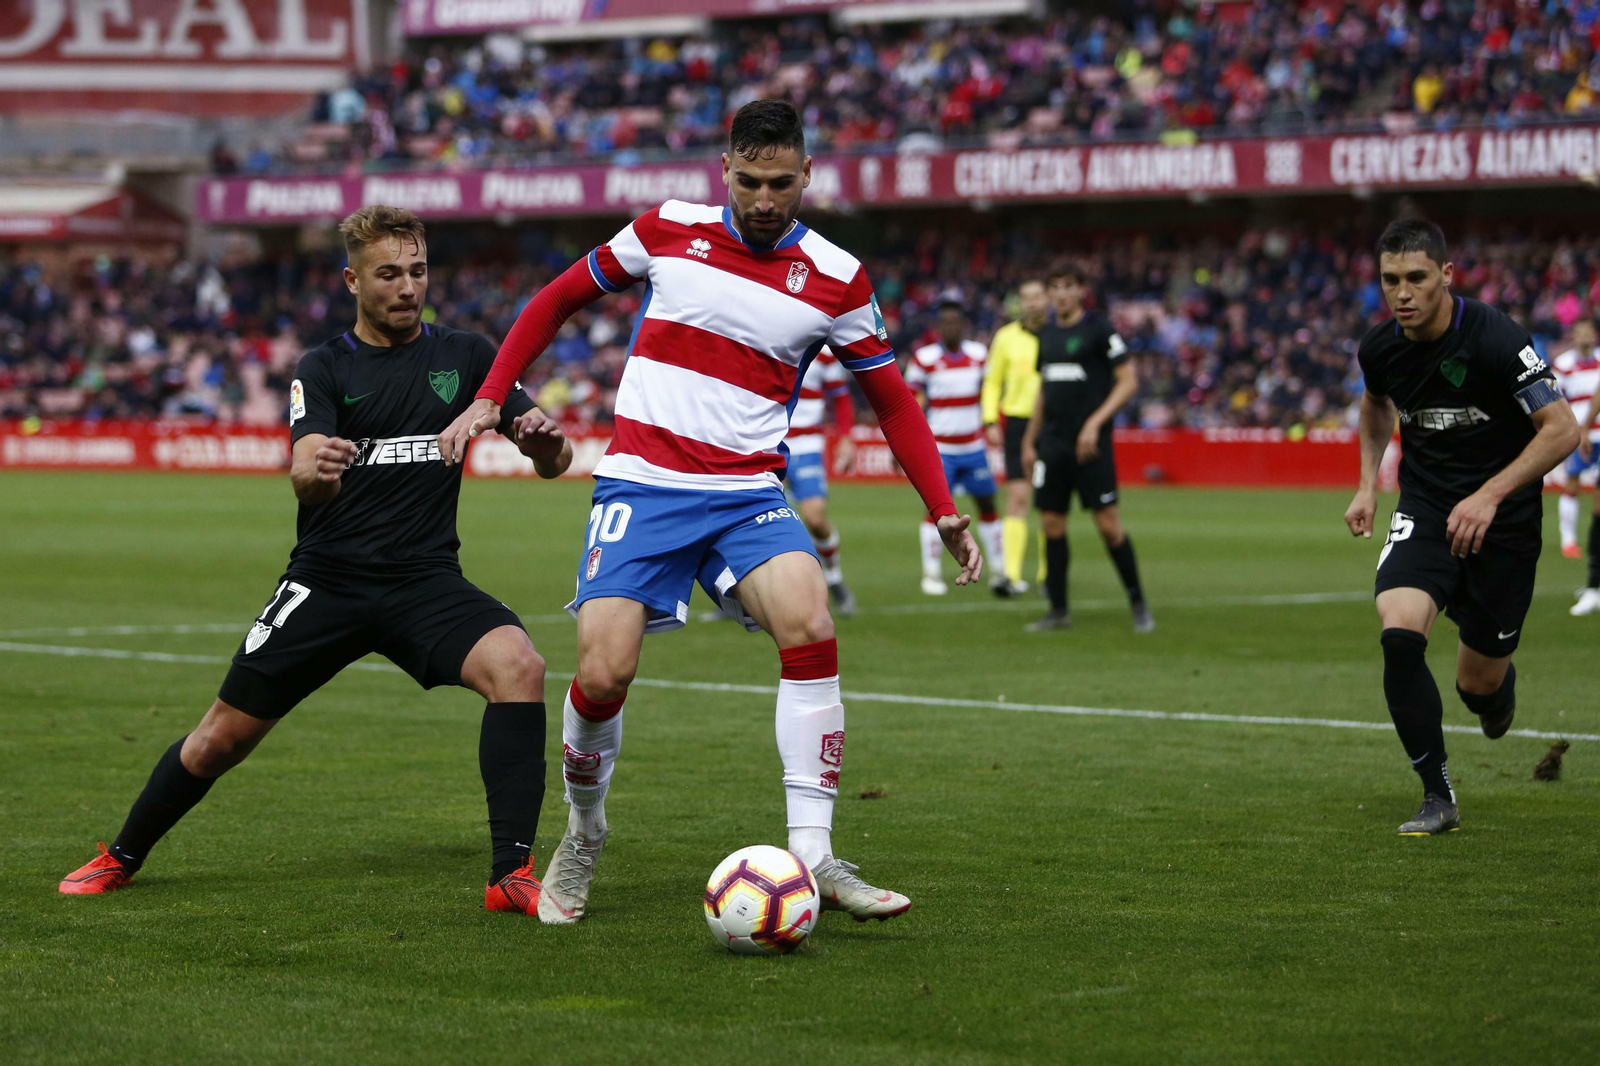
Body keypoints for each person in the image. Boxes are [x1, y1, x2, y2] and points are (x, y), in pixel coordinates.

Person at [439, 100, 979, 926]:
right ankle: (584, 832)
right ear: (724, 169)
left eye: (781, 184)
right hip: (642, 485)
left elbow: (894, 403)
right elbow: (555, 300)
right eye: (750, 181)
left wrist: (940, 507)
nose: (764, 199)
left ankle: (813, 853)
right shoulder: (667, 228)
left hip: (744, 493)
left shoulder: (838, 277)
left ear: (808, 176)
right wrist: (489, 395)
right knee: (602, 675)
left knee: (810, 622)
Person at [58, 206, 573, 917]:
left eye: (417, 271)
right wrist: (317, 470)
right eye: (388, 274)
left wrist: (546, 444)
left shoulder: (468, 356)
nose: (407, 287)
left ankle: (509, 873)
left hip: (423, 581)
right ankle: (121, 854)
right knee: (218, 740)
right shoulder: (324, 367)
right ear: (352, 281)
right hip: (326, 582)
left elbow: (554, 460)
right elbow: (305, 471)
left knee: (519, 666)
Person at [1345, 218, 1580, 836]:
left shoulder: (1498, 338)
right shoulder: (1380, 348)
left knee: (1479, 686)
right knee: (1399, 633)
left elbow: (1563, 430)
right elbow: (1376, 403)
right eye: (1390, 280)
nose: (1402, 293)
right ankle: (1437, 794)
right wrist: (1368, 483)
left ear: (1446, 275)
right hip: (1425, 508)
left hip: (1504, 522)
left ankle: (1494, 693)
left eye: (1417, 278)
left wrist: (1490, 495)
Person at [1020, 267, 1152, 633]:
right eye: (1055, 287)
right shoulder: (1046, 334)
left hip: (1091, 447)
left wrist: (1095, 423)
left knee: (1108, 526)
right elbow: (1045, 391)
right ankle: (1058, 610)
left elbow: (1128, 382)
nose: (1061, 294)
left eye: (1068, 286)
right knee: (1051, 523)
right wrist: (1029, 441)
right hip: (1053, 444)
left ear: (1080, 291)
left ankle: (1138, 602)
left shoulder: (1099, 330)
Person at [905, 296, 1009, 595]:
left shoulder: (979, 355)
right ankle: (931, 574)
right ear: (938, 326)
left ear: (964, 324)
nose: (950, 327)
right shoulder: (924, 358)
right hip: (941, 450)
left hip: (974, 447)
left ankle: (999, 571)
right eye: (945, 322)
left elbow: (990, 393)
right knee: (935, 511)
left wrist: (994, 425)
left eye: (955, 322)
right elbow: (910, 402)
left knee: (988, 504)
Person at [777, 345, 859, 615]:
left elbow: (841, 397)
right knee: (748, 518)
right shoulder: (764, 337)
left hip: (807, 445)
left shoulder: (822, 351)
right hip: (767, 442)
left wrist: (845, 438)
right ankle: (735, 595)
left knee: (815, 518)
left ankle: (834, 578)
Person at [981, 279, 1050, 593]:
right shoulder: (1006, 337)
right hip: (1018, 422)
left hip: (1053, 424)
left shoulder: (1059, 335)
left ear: (1047, 298)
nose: (1032, 302)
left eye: (1037, 296)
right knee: (1018, 497)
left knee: (1050, 502)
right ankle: (1010, 575)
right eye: (1026, 297)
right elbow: (992, 381)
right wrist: (990, 419)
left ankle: (1049, 576)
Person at [1552, 318, 1599, 561]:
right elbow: (1555, 401)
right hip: (1577, 434)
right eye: (1580, 332)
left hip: (1598, 432)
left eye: (1588, 332)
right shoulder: (1563, 364)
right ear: (1573, 335)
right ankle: (1568, 540)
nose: (1585, 337)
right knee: (1572, 484)